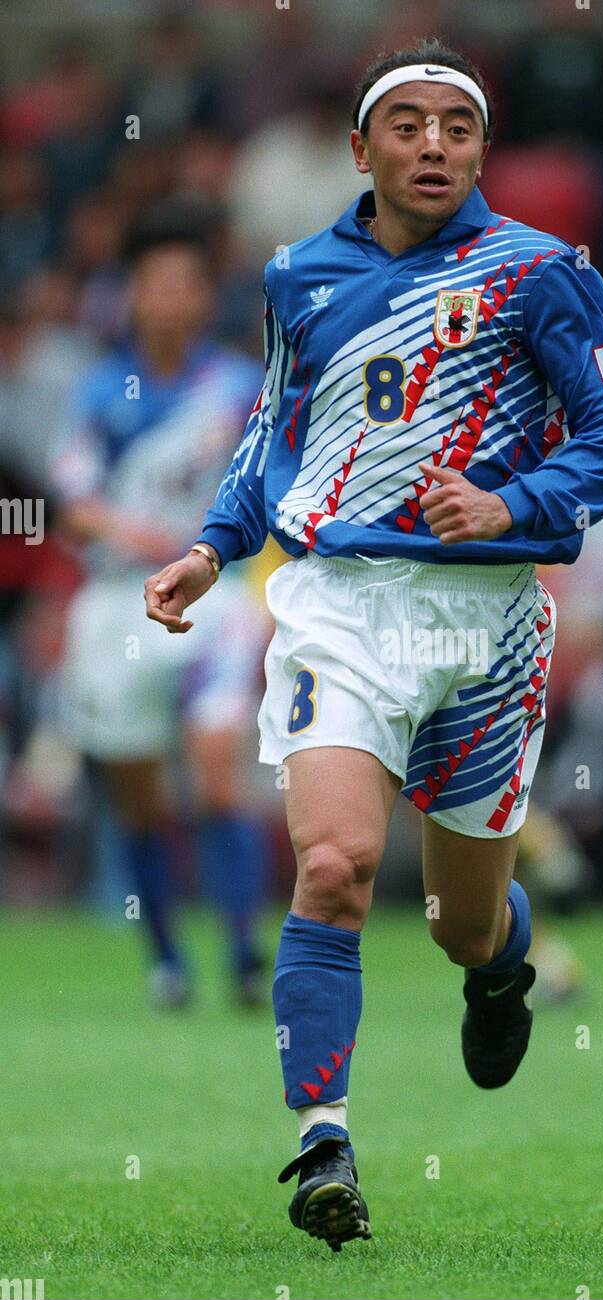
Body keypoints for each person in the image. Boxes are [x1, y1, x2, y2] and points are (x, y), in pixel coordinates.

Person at [144, 42, 603, 1251]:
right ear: (358, 147)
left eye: (458, 128)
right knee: (331, 866)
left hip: (483, 623)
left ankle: (499, 962)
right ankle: (323, 1141)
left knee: (457, 922)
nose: (434, 146)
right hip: (337, 605)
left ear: (481, 147)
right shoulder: (295, 276)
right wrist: (214, 548)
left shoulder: (539, 271)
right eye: (409, 125)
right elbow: (273, 429)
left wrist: (511, 504)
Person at [53, 201, 270, 1007]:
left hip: (216, 594)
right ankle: (167, 958)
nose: (171, 299)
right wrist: (140, 536)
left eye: (186, 285)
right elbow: (72, 502)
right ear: (133, 296)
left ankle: (246, 955)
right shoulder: (101, 389)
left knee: (218, 776)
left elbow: (273, 492)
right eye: (155, 285)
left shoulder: (241, 387)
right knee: (138, 793)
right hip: (117, 603)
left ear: (206, 296)